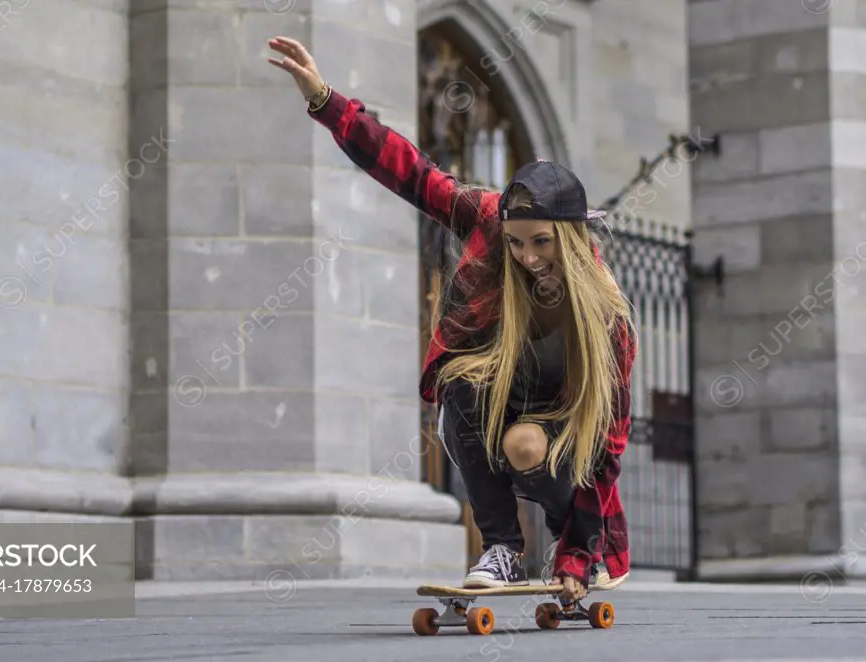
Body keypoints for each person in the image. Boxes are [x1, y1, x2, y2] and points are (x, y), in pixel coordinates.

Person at [267, 36, 636, 602]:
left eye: (541, 244)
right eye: (516, 243)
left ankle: (574, 532)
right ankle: (503, 549)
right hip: (504, 388)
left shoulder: (605, 313)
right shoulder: (486, 219)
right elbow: (411, 173)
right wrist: (325, 102)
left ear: (569, 236)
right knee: (460, 382)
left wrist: (579, 553)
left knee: (526, 448)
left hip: (563, 425)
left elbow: (607, 446)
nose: (528, 258)